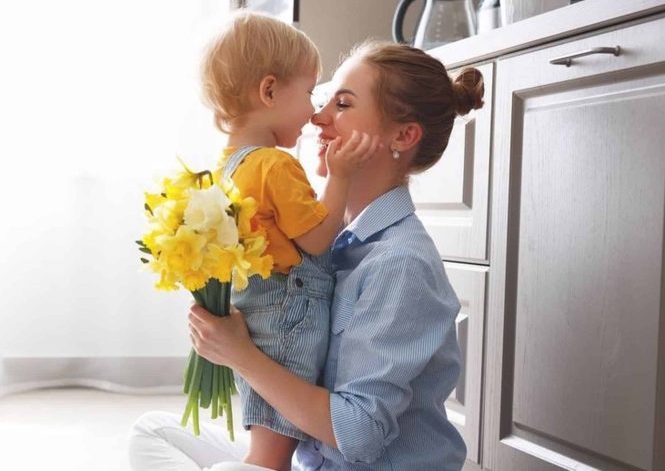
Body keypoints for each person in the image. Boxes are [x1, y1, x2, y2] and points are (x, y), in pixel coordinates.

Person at [128, 39, 484, 470]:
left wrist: (240, 353)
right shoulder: (329, 241)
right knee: (153, 432)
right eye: (324, 101)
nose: (317, 118)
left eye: (343, 104)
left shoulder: (400, 263)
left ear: (403, 136)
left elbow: (357, 435)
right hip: (312, 462)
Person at [131, 10, 380, 471]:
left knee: (261, 434)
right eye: (309, 93)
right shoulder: (274, 165)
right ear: (268, 91)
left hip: (253, 313)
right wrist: (341, 177)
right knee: (270, 457)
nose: (313, 111)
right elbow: (319, 240)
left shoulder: (224, 168)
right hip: (290, 316)